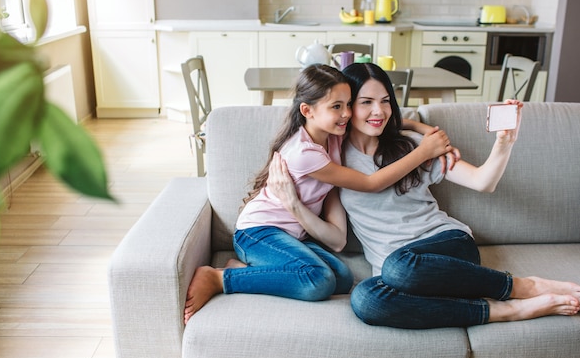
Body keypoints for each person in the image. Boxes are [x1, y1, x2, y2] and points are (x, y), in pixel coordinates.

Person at [337, 62, 580, 329]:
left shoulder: (412, 145)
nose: (378, 111)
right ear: (346, 107)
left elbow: (482, 181)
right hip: (398, 272)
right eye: (366, 102)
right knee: (366, 300)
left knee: (398, 267)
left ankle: (525, 286)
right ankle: (506, 311)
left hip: (446, 245)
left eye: (385, 101)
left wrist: (504, 143)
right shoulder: (332, 157)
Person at [183, 64, 452, 324]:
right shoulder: (304, 154)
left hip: (291, 237)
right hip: (259, 232)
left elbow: (380, 120)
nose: (347, 113)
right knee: (318, 280)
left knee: (343, 279)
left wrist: (421, 128)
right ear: (307, 110)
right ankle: (222, 279)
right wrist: (424, 151)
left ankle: (244, 269)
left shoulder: (332, 133)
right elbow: (371, 183)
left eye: (348, 104)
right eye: (337, 106)